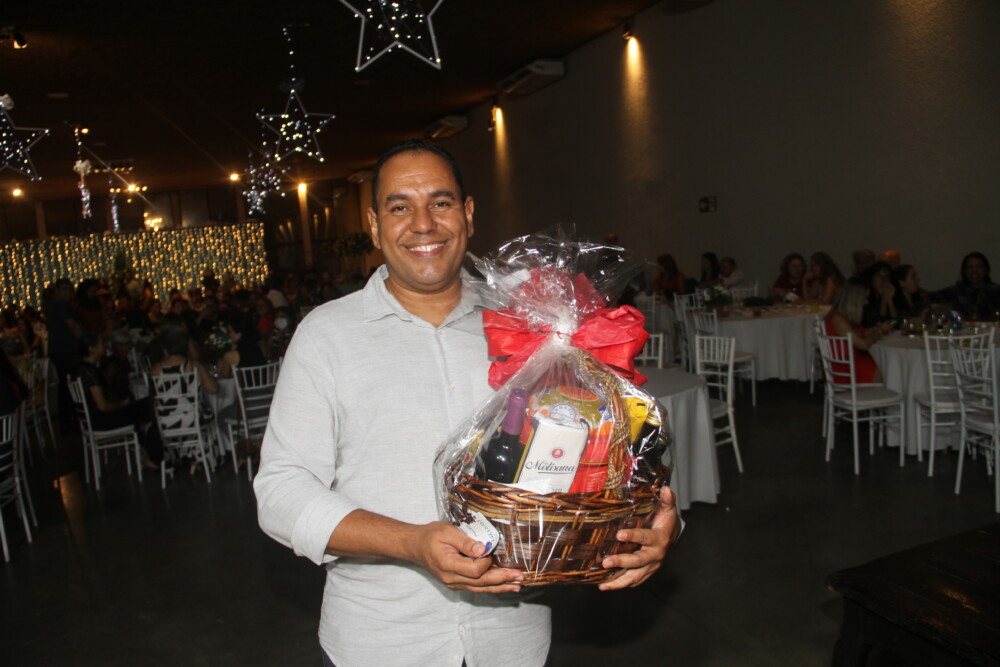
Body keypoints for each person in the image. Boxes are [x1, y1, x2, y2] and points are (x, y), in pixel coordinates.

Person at [254, 140, 680, 667]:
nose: (423, 224)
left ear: (469, 213)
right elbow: (281, 492)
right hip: (378, 642)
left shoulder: (531, 330)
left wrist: (653, 524)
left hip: (513, 641)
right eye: (399, 206)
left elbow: (606, 449)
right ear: (374, 225)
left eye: (441, 202)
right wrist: (411, 543)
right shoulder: (326, 336)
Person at [75, 332, 162, 469]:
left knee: (144, 409)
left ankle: (149, 448)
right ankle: (154, 455)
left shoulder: (82, 368)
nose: (105, 346)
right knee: (148, 405)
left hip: (94, 420)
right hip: (101, 420)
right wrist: (121, 404)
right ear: (91, 349)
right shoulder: (90, 372)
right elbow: (102, 406)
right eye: (101, 344)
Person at [825, 278, 892, 384]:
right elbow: (863, 345)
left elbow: (860, 332)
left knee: (886, 362)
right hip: (846, 367)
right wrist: (879, 332)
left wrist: (876, 329)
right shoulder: (837, 319)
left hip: (852, 361)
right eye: (864, 299)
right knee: (887, 366)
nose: (866, 302)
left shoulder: (843, 316)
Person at [936, 252, 1000, 321]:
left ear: (986, 270)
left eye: (978, 267)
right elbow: (931, 297)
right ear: (964, 271)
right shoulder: (956, 291)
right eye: (970, 267)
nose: (974, 270)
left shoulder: (996, 291)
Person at [860, 261, 897, 328]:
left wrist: (889, 300)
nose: (883, 280)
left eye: (886, 276)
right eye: (878, 276)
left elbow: (895, 322)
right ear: (871, 279)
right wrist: (884, 299)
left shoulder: (886, 296)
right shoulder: (865, 299)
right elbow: (878, 324)